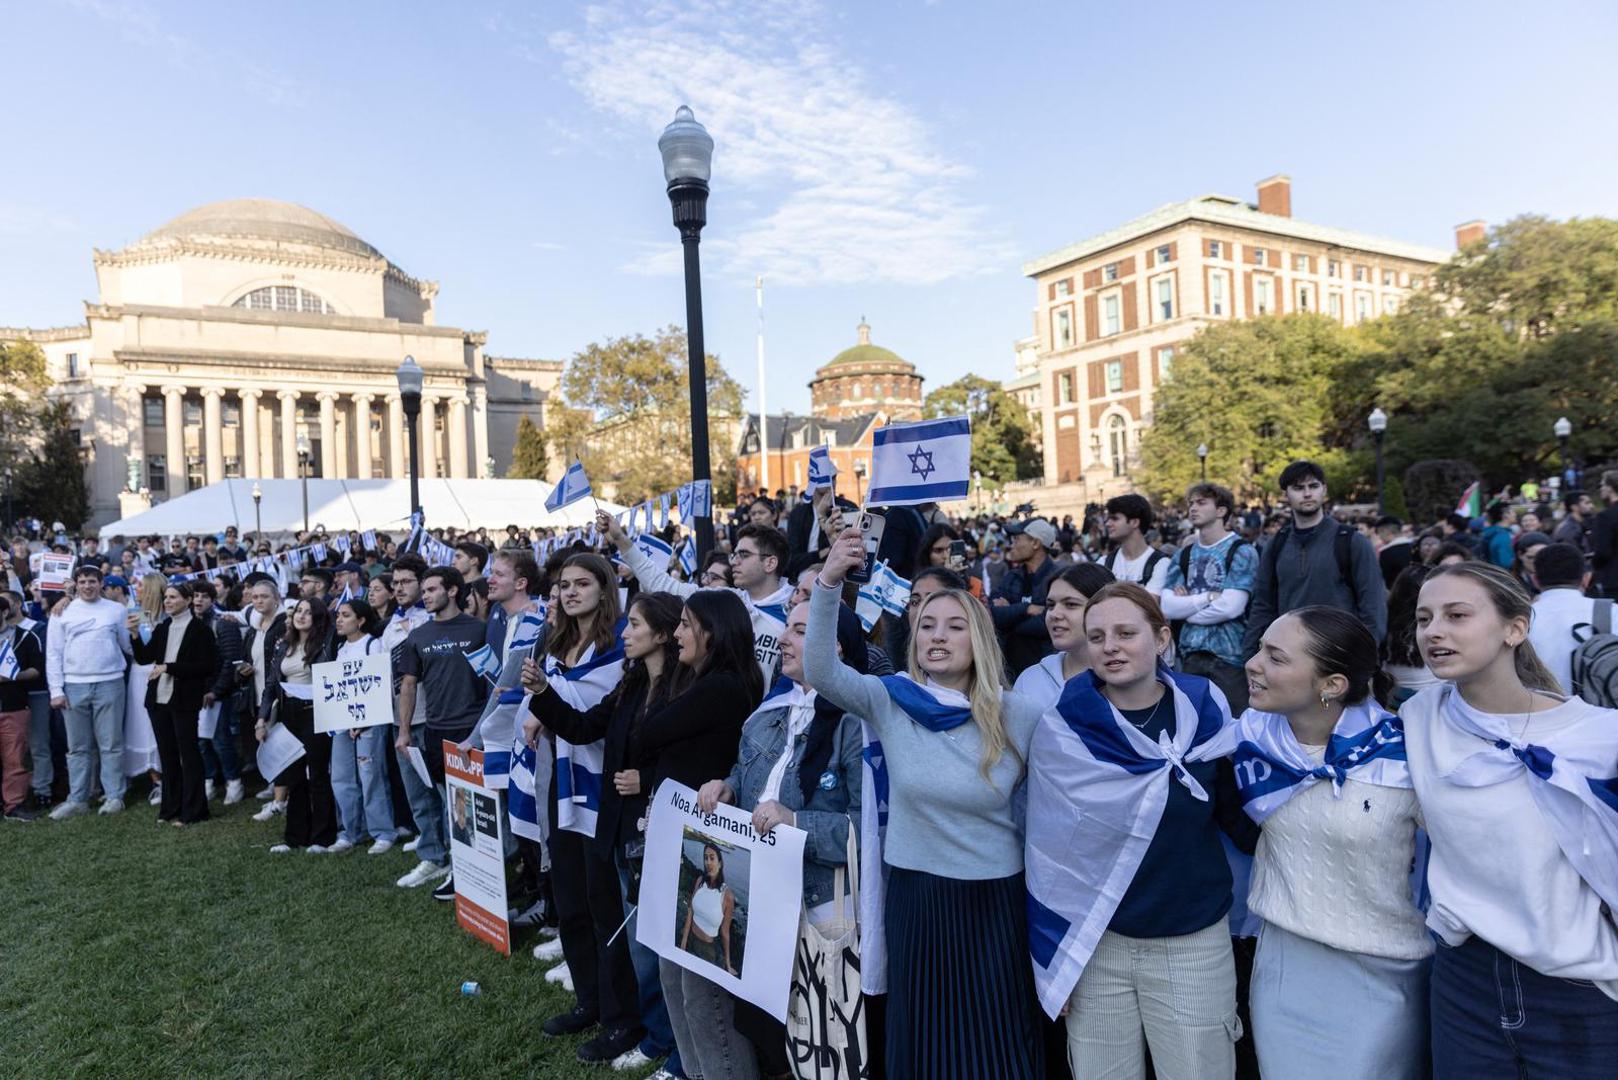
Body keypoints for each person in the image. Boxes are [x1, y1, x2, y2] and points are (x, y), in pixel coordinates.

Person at [810, 525, 1045, 1078]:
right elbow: (822, 670)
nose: (936, 636)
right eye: (926, 625)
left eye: (955, 626)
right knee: (928, 1033)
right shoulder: (891, 701)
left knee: (994, 1035)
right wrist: (828, 580)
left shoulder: (1022, 716)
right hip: (917, 897)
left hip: (995, 903)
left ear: (980, 640)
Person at [1025, 582, 1253, 1080]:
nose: (1111, 647)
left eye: (1127, 633)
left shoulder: (1205, 710)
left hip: (1192, 940)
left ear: (1162, 638)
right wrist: (1055, 955)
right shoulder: (1064, 727)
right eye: (1098, 635)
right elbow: (1048, 850)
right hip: (1097, 943)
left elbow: (1239, 817)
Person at [1403, 561, 1618, 1075]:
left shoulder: (1602, 736)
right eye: (1423, 618)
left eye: (1457, 615)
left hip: (1578, 989)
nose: (1434, 631)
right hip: (1464, 981)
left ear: (1515, 628)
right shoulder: (1419, 718)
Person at [1235, 608, 1428, 1077]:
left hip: (1382, 972)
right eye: (1260, 649)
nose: (1253, 664)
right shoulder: (1248, 739)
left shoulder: (1406, 754)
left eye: (1276, 657)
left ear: (1332, 685)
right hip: (1285, 966)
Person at [697, 598, 871, 1078]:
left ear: (830, 647)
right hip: (761, 900)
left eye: (799, 630)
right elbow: (752, 771)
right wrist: (727, 785)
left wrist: (797, 822)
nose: (784, 639)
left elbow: (871, 828)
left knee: (819, 1038)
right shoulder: (775, 707)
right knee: (769, 1031)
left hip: (816, 908)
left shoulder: (857, 724)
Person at [524, 591, 686, 1075]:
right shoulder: (631, 684)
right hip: (620, 828)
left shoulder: (689, 688)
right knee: (635, 938)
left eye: (634, 625)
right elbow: (582, 727)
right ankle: (646, 1028)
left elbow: (704, 755)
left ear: (661, 634)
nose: (626, 633)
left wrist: (650, 779)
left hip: (659, 829)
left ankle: (659, 1037)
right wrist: (541, 693)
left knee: (653, 943)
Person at [635, 590, 764, 1080]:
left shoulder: (722, 688)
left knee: (702, 992)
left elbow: (648, 734)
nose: (676, 635)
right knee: (676, 980)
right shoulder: (705, 682)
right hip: (680, 841)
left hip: (703, 844)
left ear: (713, 632)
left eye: (686, 625)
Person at [522, 552, 644, 1066]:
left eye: (581, 584)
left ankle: (622, 1021)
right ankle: (589, 1001)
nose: (569, 593)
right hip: (562, 784)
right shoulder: (554, 641)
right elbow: (552, 706)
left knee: (604, 908)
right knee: (570, 900)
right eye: (563, 586)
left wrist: (547, 699)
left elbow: (588, 716)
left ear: (606, 587)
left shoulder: (623, 644)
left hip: (603, 790)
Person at [605, 510, 793, 685]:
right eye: (735, 554)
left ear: (770, 563)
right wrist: (621, 540)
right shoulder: (724, 599)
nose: (734, 561)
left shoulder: (797, 608)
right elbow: (665, 586)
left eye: (744, 555)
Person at [393, 566, 488, 889]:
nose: (426, 596)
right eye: (425, 591)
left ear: (451, 591)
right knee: (450, 802)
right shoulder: (418, 636)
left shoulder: (478, 629)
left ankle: (475, 871)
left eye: (432, 589)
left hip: (473, 729)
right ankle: (452, 865)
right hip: (435, 730)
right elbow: (408, 685)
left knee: (476, 805)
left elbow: (492, 679)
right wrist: (404, 731)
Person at [1242, 460, 1387, 656]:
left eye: (1313, 486)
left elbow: (1373, 604)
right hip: (1289, 653)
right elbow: (1263, 604)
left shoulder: (1351, 541)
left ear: (1324, 490)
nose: (1307, 493)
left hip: (1340, 653)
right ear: (1286, 495)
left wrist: (1365, 656)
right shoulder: (1276, 544)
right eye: (1298, 488)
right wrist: (1251, 654)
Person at [1162, 481, 1260, 714]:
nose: (1193, 508)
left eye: (1201, 502)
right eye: (1191, 503)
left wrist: (1187, 610)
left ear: (1221, 511)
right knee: (1195, 731)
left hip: (1230, 658)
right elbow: (1167, 607)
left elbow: (1231, 607)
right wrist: (1209, 597)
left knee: (1237, 731)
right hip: (1190, 656)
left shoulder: (1241, 550)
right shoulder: (1183, 554)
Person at [45, 565, 133, 819]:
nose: (87, 586)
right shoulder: (61, 612)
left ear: (101, 583)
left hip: (111, 683)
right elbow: (53, 653)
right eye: (82, 581)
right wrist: (56, 690)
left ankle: (114, 795)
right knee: (78, 748)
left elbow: (128, 645)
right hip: (73, 686)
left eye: (92, 581)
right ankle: (78, 799)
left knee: (111, 744)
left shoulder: (116, 610)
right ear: (75, 584)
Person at [131, 581, 218, 826]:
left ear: (188, 600)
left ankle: (194, 810)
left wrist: (170, 667)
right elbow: (144, 657)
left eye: (173, 597)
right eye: (166, 597)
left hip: (184, 700)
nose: (167, 601)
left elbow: (207, 666)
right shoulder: (164, 626)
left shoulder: (200, 630)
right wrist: (135, 635)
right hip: (158, 700)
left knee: (188, 755)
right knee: (167, 756)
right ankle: (170, 809)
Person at [257, 597, 337, 852]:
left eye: (308, 612)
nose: (301, 616)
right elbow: (271, 684)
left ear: (318, 618)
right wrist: (262, 718)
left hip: (315, 712)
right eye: (299, 611)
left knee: (317, 774)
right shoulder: (284, 644)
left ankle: (322, 837)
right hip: (288, 713)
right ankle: (294, 837)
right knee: (293, 776)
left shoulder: (325, 644)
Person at [327, 598, 396, 855]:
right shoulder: (341, 649)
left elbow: (381, 683)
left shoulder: (373, 645)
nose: (340, 620)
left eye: (345, 615)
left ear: (361, 620)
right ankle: (350, 831)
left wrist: (363, 719)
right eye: (338, 615)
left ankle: (383, 831)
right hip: (343, 724)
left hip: (370, 721)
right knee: (342, 777)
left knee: (371, 776)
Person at [1011, 563, 1114, 709]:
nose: (1054, 614)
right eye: (1050, 605)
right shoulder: (1031, 680)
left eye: (1071, 604)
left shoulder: (1127, 677)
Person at [192, 581, 245, 805]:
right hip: (195, 693)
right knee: (201, 742)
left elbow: (231, 661)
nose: (198, 600)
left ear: (213, 600)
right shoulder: (187, 623)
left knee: (221, 741)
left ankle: (234, 781)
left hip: (218, 695)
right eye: (195, 596)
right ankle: (209, 779)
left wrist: (216, 691)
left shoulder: (223, 624)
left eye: (204, 596)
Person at [991, 517, 1061, 678]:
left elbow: (1048, 622)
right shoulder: (1012, 576)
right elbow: (994, 614)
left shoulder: (1058, 578)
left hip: (1045, 672)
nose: (1012, 545)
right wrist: (1026, 608)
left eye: (1016, 539)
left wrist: (1010, 615)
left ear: (1035, 543)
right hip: (1010, 671)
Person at [1526, 542, 1599, 696]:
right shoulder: (1612, 612)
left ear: (1535, 580)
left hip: (1542, 713)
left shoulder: (1520, 621)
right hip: (1607, 713)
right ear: (1586, 578)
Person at [0, 593, 45, 820]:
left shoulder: (25, 637)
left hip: (13, 706)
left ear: (5, 612)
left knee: (14, 758)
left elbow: (37, 669)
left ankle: (14, 805)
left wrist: (14, 676)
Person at [680, 842, 737, 973]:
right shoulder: (700, 881)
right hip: (689, 939)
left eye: (712, 858)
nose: (708, 862)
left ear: (720, 863)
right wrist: (683, 942)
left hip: (706, 950)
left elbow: (725, 932)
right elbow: (691, 911)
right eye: (705, 858)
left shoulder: (727, 896)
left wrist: (728, 965)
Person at [1101, 495, 1169, 595]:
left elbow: (1148, 604)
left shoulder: (1161, 564)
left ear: (1135, 522)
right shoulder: (1104, 563)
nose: (1108, 523)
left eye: (1114, 519)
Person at [1591, 470, 1618, 597]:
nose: (1600, 489)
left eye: (1602, 485)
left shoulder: (1606, 516)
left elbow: (1602, 552)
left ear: (1610, 488)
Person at [1376, 515, 1415, 589]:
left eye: (1379, 532)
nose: (1379, 537)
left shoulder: (1386, 553)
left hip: (1397, 593)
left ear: (1386, 531)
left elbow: (1384, 579)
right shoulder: (1414, 546)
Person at [1477, 503, 1516, 568]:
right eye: (1513, 511)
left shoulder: (1491, 532)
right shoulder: (1502, 536)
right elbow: (1506, 563)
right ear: (1505, 515)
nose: (1515, 514)